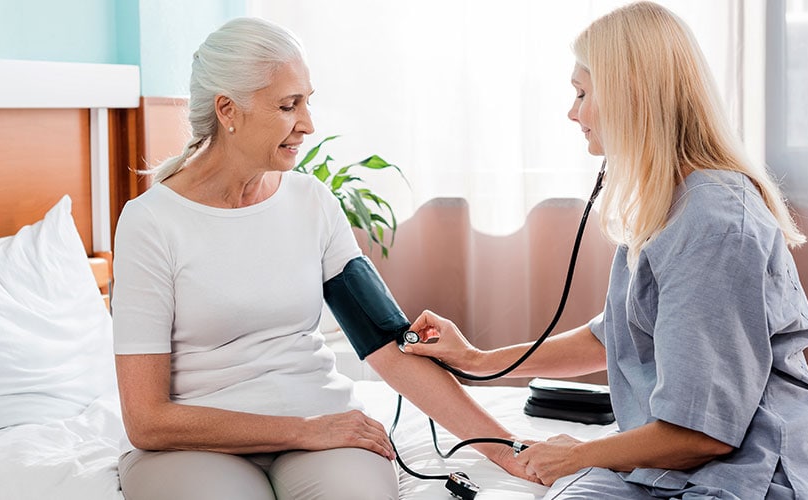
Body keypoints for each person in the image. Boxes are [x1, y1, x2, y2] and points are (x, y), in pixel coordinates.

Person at [404, 2, 808, 499]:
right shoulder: (675, 203)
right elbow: (614, 336)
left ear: (629, 92)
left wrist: (577, 455)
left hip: (747, 480)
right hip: (671, 468)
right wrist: (480, 361)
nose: (573, 112)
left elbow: (703, 433)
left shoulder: (714, 222)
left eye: (581, 93)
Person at [111, 17, 527, 500]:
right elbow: (146, 420)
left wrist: (506, 448)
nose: (308, 123)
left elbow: (390, 349)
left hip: (322, 427)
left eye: (307, 101)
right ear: (228, 109)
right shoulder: (151, 222)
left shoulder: (312, 202)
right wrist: (303, 430)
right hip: (194, 443)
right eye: (289, 106)